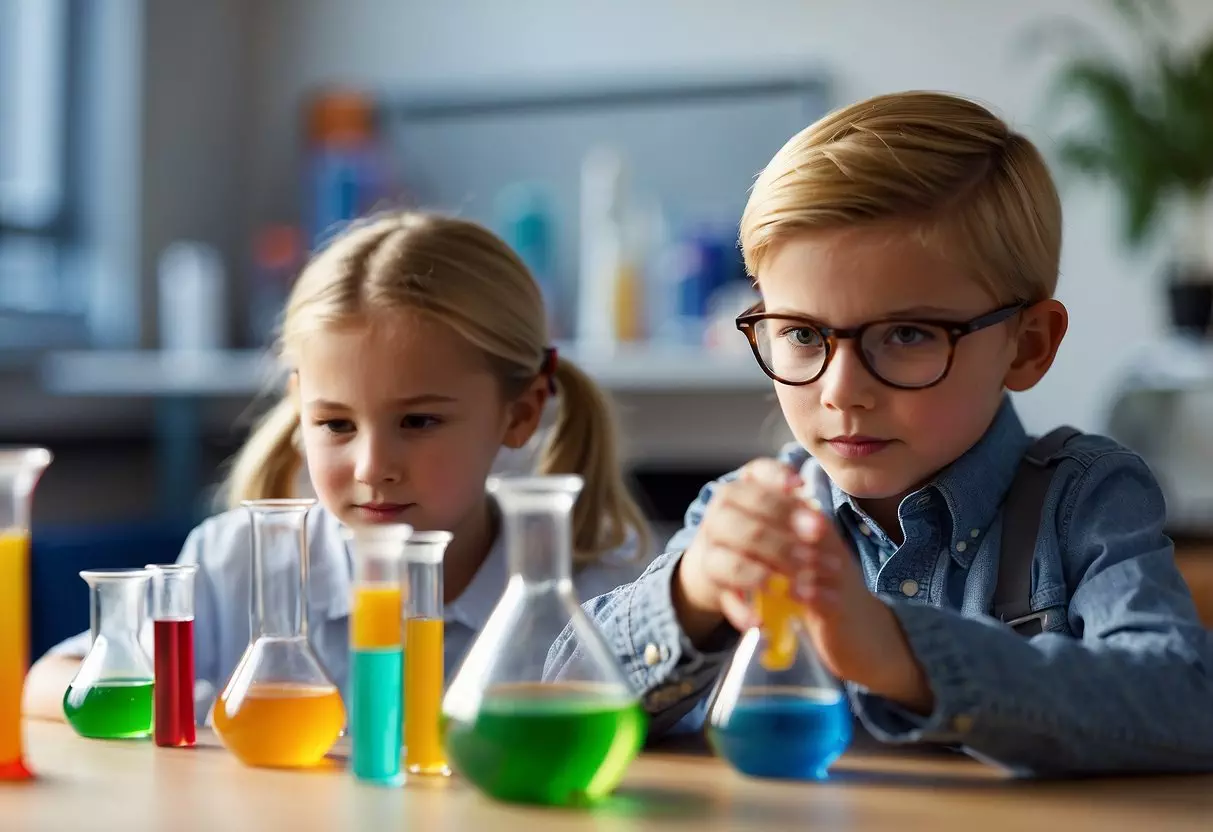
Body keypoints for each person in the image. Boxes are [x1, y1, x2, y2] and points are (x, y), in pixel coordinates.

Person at [548, 91, 1213, 776]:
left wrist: (902, 653)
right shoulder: (751, 515)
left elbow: (1185, 700)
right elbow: (552, 695)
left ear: (1026, 346)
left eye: (906, 335)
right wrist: (689, 595)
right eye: (802, 335)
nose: (839, 392)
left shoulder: (1084, 502)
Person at [28, 211, 650, 724]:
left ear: (520, 413)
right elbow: (49, 683)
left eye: (419, 422)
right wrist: (204, 709)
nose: (373, 467)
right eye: (336, 425)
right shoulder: (233, 565)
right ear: (299, 408)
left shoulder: (598, 592)